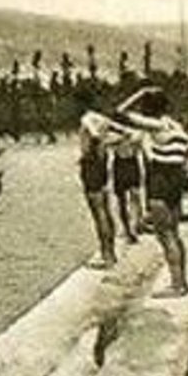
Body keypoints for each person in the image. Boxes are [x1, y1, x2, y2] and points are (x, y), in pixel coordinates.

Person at [114, 85, 188, 297]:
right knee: (174, 234)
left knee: (165, 235)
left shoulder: (156, 125)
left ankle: (177, 285)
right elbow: (187, 156)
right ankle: (182, 281)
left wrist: (139, 92)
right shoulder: (177, 126)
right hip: (175, 178)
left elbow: (119, 112)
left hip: (160, 179)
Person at [76, 86, 118, 268]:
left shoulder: (86, 119)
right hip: (101, 165)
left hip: (92, 165)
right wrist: (104, 148)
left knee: (98, 211)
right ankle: (111, 252)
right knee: (105, 209)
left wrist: (92, 153)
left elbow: (94, 137)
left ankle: (106, 254)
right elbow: (121, 134)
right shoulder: (102, 119)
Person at [110, 132, 144, 244]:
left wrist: (124, 139)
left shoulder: (133, 126)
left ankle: (134, 226)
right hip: (120, 163)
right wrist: (122, 138)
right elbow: (106, 142)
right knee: (122, 200)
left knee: (135, 195)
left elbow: (139, 141)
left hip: (131, 162)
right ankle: (128, 228)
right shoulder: (114, 127)